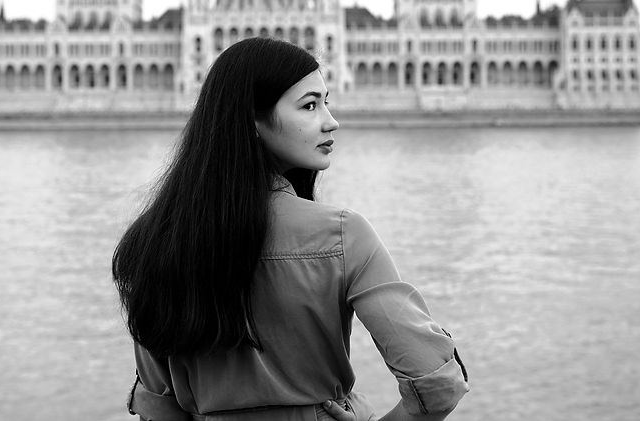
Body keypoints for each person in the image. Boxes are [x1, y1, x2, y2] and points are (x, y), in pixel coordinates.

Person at [113, 38, 468, 421]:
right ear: (253, 120)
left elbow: (158, 406)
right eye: (310, 105)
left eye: (326, 102)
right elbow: (437, 385)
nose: (331, 121)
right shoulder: (343, 236)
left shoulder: (155, 241)